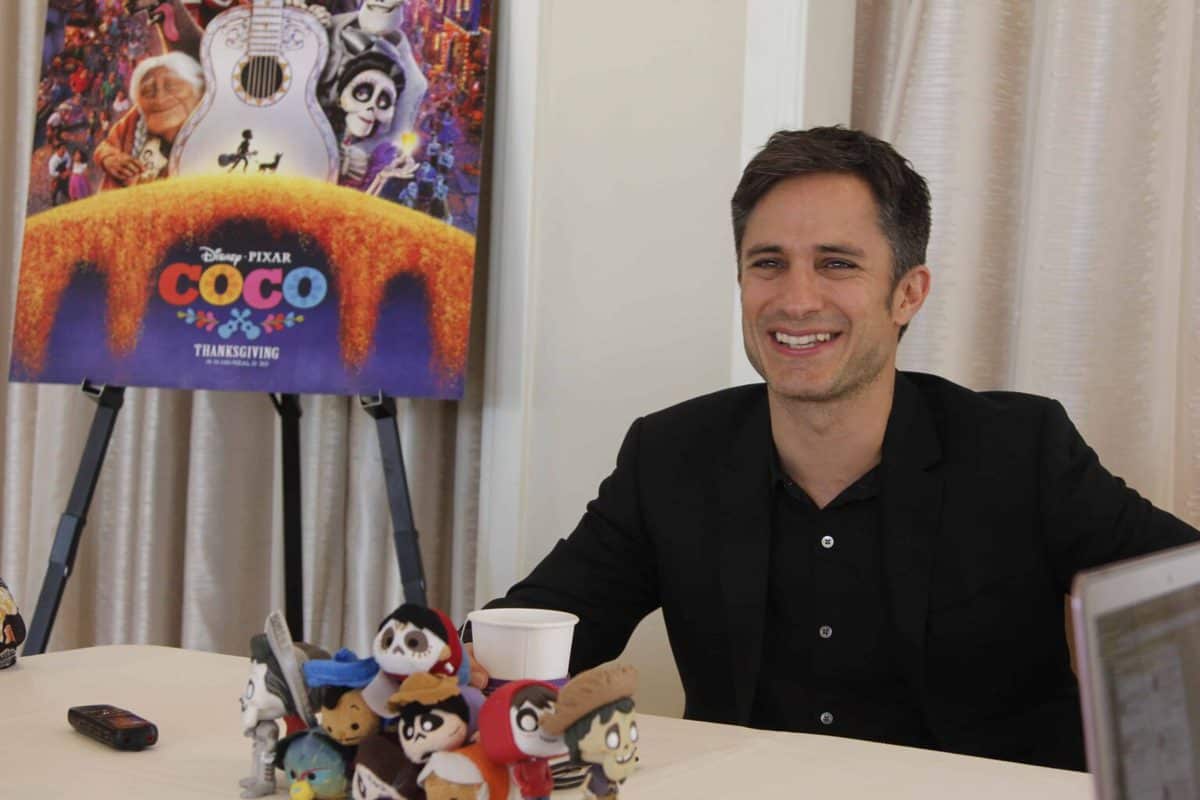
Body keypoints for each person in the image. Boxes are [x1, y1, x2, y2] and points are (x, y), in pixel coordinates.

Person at [474, 126, 1200, 772]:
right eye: (768, 263)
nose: (795, 300)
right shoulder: (669, 456)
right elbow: (539, 631)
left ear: (908, 293)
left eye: (837, 264)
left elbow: (1184, 603)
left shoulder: (1022, 451)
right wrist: (438, 670)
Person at [94, 51, 203, 190]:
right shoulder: (135, 120)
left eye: (172, 86)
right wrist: (109, 159)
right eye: (148, 91)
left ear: (198, 90)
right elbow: (104, 147)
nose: (160, 97)